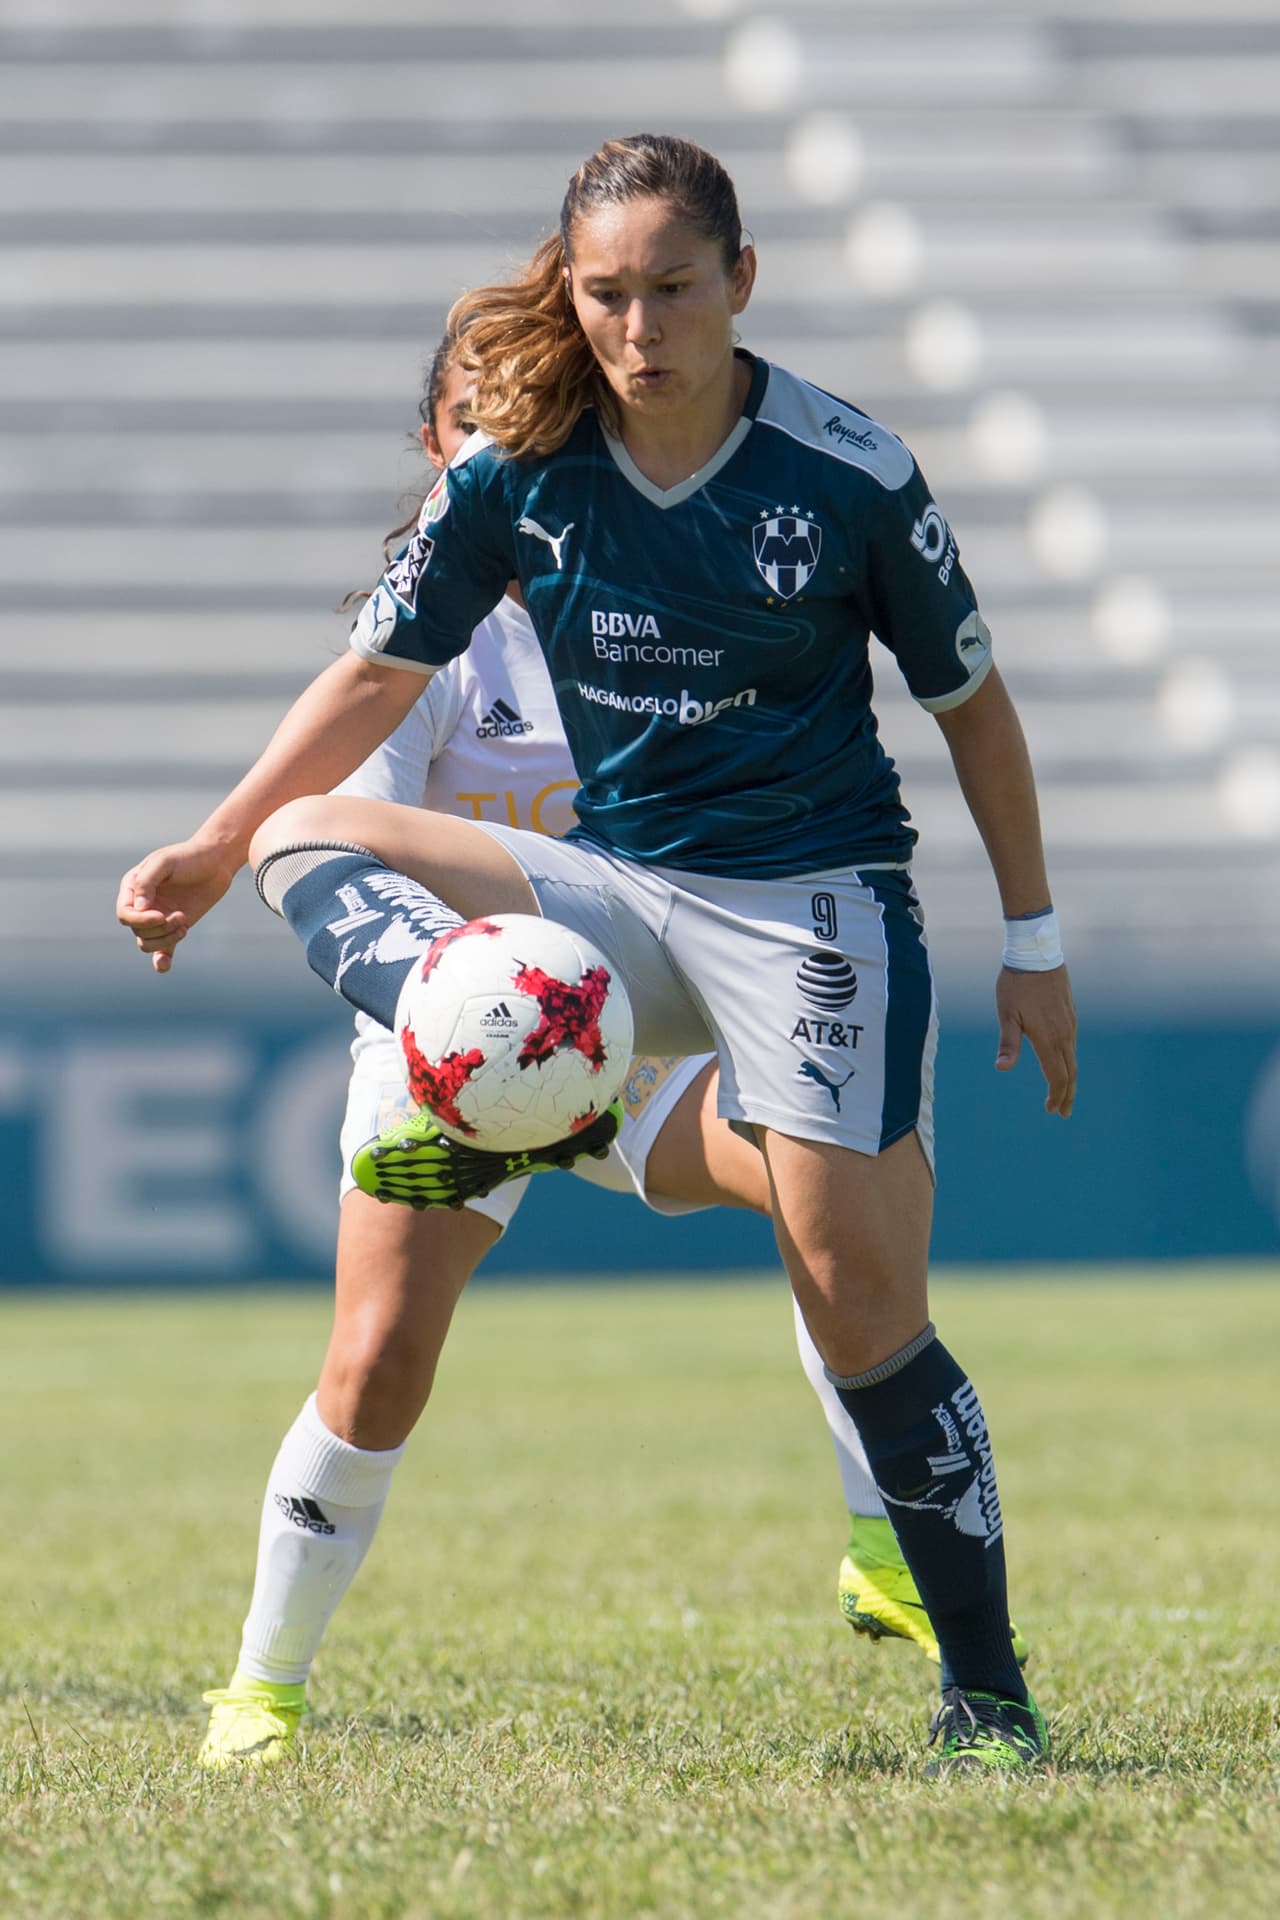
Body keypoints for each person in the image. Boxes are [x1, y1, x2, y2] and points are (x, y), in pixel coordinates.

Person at [119, 133, 1076, 1776]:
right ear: (575, 295)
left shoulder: (848, 473)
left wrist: (1036, 941)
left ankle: (988, 1696)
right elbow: (366, 678)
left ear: (743, 282)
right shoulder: (519, 470)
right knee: (303, 834)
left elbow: (971, 706)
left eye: (673, 289)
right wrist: (214, 844)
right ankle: (470, 1047)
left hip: (811, 907)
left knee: (864, 1306)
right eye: (607, 294)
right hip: (612, 899)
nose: (640, 328)